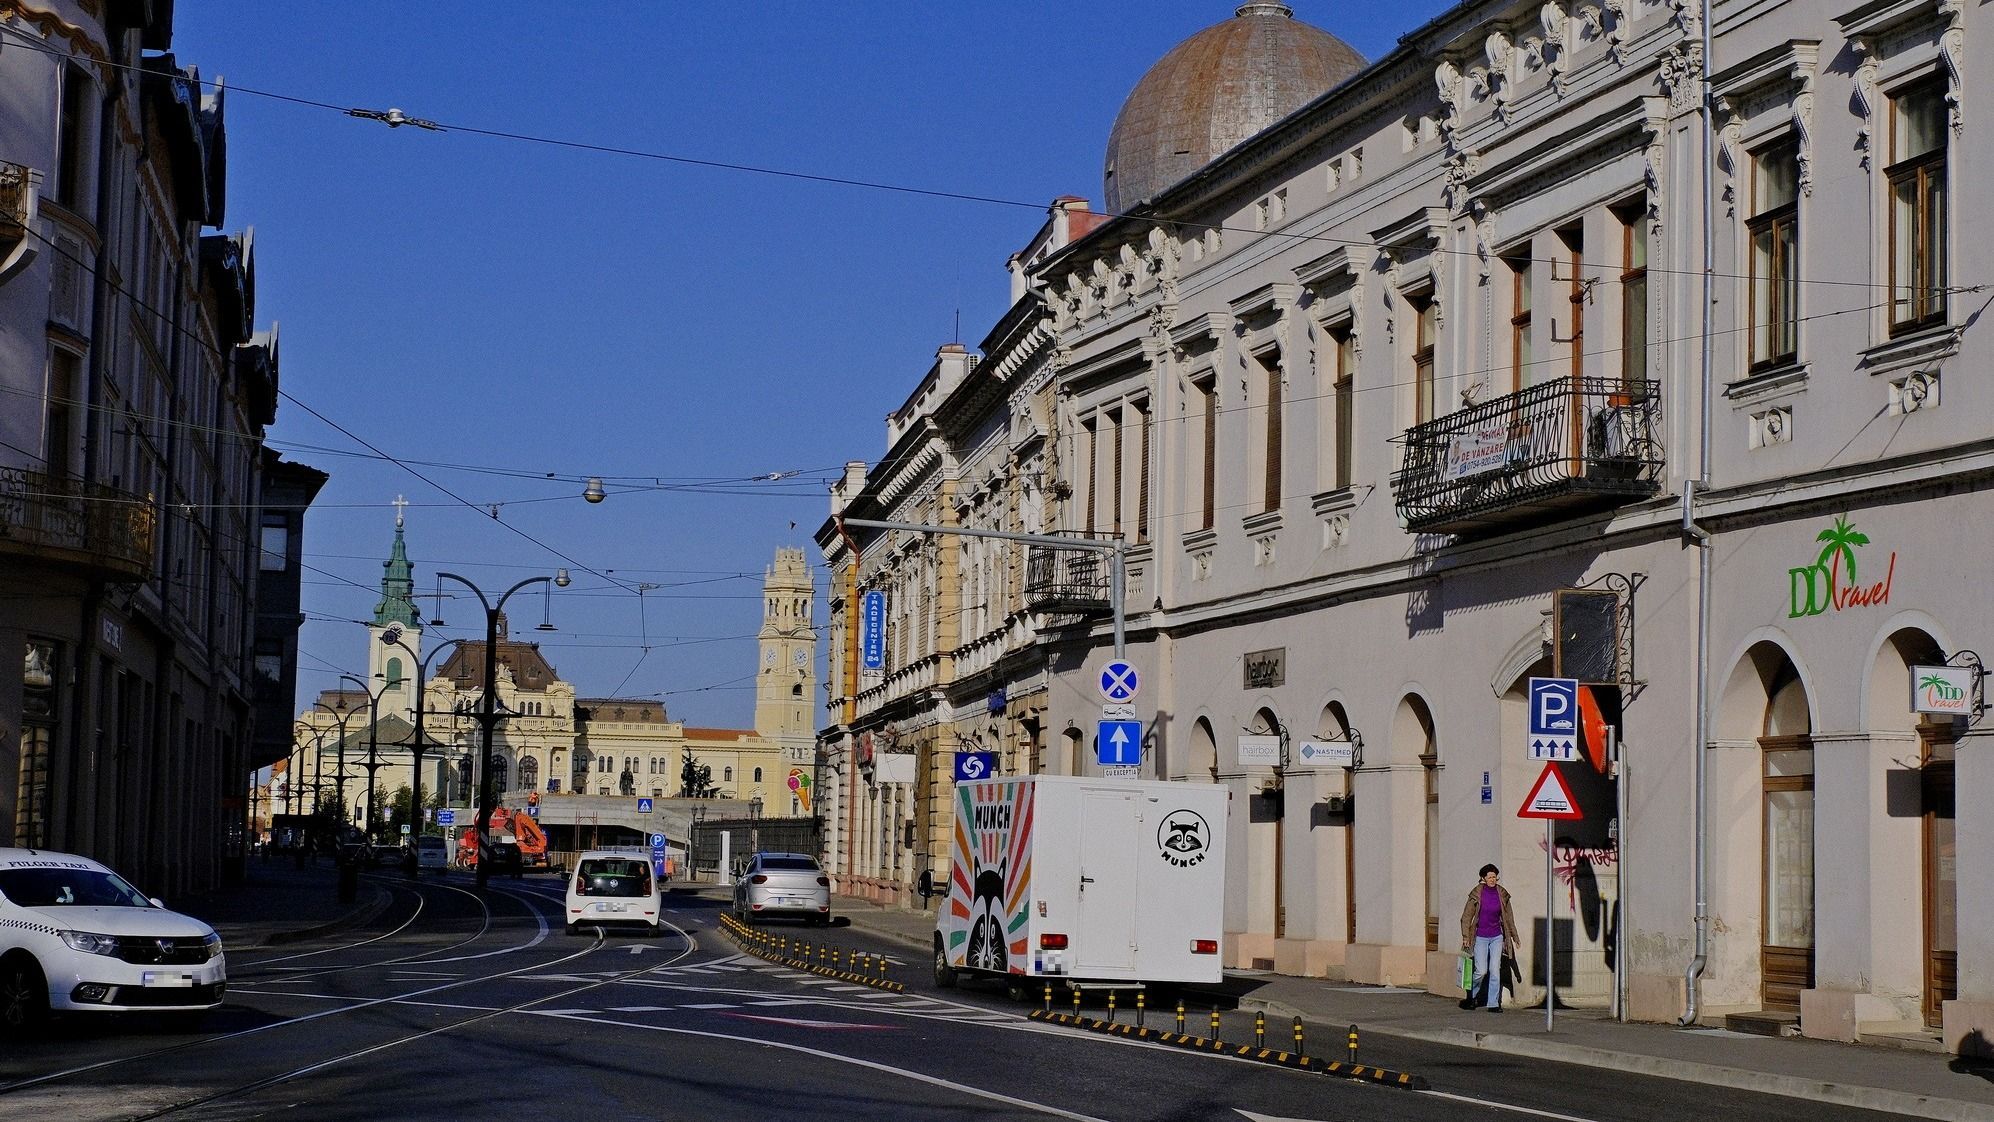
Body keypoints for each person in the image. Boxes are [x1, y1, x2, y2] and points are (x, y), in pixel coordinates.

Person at [1459, 863, 1520, 1012]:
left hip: (1496, 937)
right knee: (1481, 971)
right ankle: (1471, 997)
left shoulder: (1502, 894)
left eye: (1495, 877)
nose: (1493, 879)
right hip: (1480, 936)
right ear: (1483, 878)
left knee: (1495, 970)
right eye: (1490, 877)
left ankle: (1493, 1004)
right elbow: (1466, 916)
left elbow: (1509, 918)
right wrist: (1465, 936)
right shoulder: (1476, 893)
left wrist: (1514, 936)